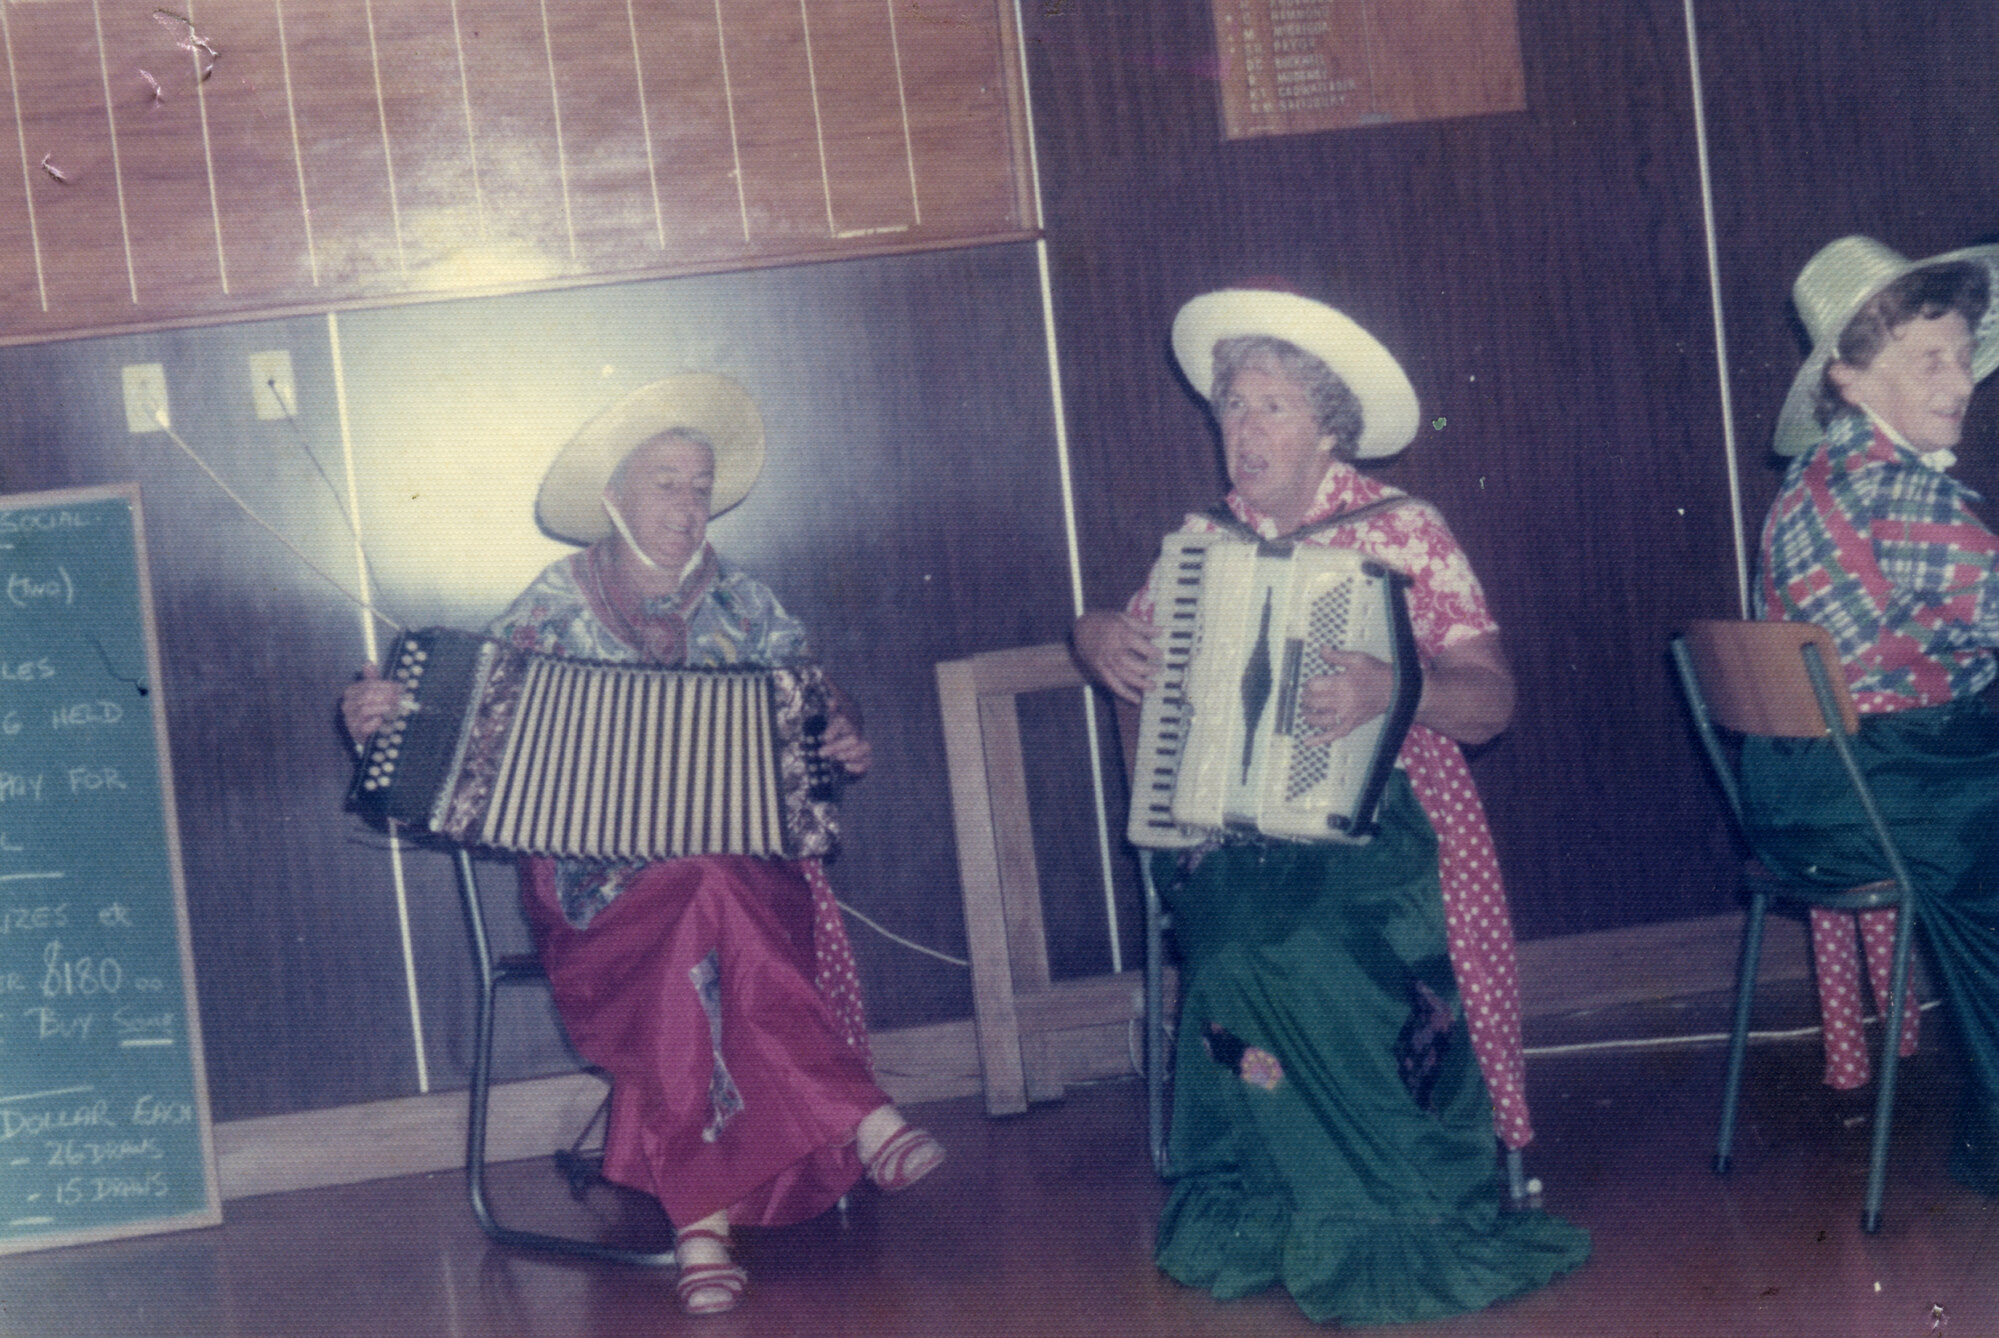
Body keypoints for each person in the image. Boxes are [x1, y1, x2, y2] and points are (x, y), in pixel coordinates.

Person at [341, 373, 943, 1316]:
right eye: (666, 482)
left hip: (749, 883)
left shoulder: (745, 604)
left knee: (708, 884)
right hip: (596, 904)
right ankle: (853, 1109)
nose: (688, 504)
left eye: (699, 486)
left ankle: (699, 1227)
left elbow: (817, 705)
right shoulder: (548, 608)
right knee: (696, 899)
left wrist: (841, 731)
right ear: (613, 496)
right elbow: (444, 739)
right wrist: (375, 718)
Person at [1073, 286, 1589, 1325]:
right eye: (1232, 406)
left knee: (1299, 940)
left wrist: (1388, 691)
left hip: (1392, 827)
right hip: (1231, 838)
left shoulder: (1404, 532)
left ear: (1327, 429)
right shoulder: (1201, 547)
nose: (1243, 431)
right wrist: (1092, 637)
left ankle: (1395, 1212)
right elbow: (1125, 653)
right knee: (1235, 937)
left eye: (1270, 407)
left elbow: (1490, 705)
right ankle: (1279, 1203)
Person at [1745, 235, 1999, 1195]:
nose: (1959, 378)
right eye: (1926, 360)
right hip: (1878, 786)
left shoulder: (1809, 481)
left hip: (1800, 789)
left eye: (1962, 353)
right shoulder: (1901, 497)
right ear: (1848, 380)